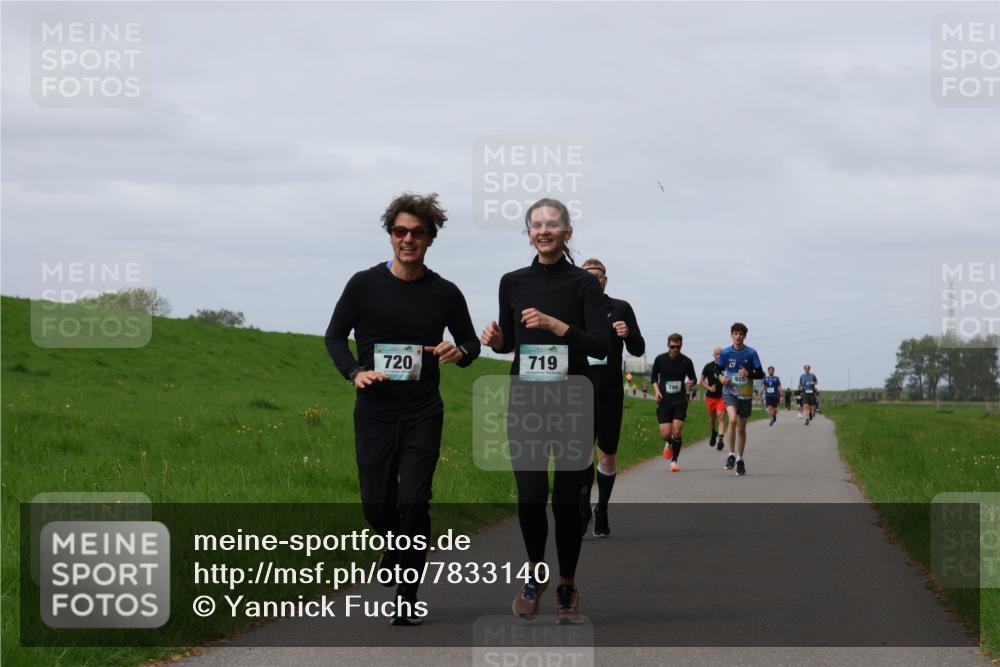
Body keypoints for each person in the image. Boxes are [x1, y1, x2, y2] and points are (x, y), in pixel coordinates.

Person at [325, 192, 481, 626]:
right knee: (377, 508)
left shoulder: (445, 293)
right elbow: (335, 336)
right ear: (390, 236)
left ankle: (407, 596)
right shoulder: (364, 284)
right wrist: (355, 372)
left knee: (414, 501)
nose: (407, 239)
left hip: (422, 413)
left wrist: (458, 350)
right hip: (374, 413)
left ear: (430, 238)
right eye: (399, 231)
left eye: (416, 232)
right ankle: (393, 546)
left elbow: (472, 343)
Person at [480, 198, 607, 625]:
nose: (544, 231)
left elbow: (601, 345)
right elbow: (510, 343)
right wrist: (497, 340)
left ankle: (567, 585)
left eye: (553, 225)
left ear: (567, 232)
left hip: (573, 402)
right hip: (528, 402)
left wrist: (557, 327)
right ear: (529, 233)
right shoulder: (512, 282)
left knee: (567, 504)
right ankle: (535, 574)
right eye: (536, 225)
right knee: (532, 497)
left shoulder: (584, 285)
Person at [579, 258, 645, 538]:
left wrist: (627, 334)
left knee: (607, 455)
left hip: (609, 391)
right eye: (588, 276)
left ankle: (602, 508)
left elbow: (639, 348)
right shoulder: (571, 308)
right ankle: (582, 508)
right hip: (578, 388)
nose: (594, 280)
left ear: (606, 280)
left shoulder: (620, 308)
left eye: (599, 275)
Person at [718, 322, 764, 476]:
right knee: (731, 420)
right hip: (730, 392)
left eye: (741, 334)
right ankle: (730, 454)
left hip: (745, 394)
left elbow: (760, 373)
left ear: (745, 336)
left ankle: (740, 458)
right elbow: (717, 370)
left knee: (741, 428)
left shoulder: (751, 353)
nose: (738, 336)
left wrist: (748, 373)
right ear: (731, 335)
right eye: (735, 333)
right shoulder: (725, 353)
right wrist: (720, 378)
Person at [651, 334, 698, 472]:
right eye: (672, 347)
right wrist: (656, 391)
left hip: (680, 400)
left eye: (678, 347)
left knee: (677, 430)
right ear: (668, 345)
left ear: (681, 345)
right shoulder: (660, 359)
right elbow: (653, 377)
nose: (675, 349)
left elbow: (693, 377)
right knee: (666, 434)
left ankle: (674, 461)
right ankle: (668, 443)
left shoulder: (686, 361)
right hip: (664, 400)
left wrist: (692, 382)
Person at [700, 347, 727, 451]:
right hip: (710, 397)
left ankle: (720, 440)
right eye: (717, 354)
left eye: (720, 354)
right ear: (713, 355)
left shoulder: (726, 367)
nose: (719, 356)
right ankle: (713, 432)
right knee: (712, 419)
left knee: (720, 416)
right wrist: (709, 388)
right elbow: (701, 381)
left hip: (722, 397)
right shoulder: (708, 366)